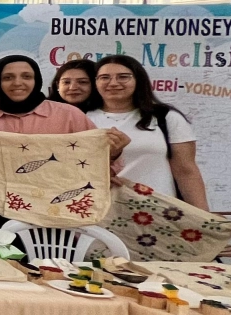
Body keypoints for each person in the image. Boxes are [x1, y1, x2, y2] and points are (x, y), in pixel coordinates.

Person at [0, 54, 93, 231]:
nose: (17, 83)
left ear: (37, 80)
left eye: (26, 76)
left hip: (57, 216)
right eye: (8, 78)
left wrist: (114, 152)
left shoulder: (69, 115)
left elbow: (94, 157)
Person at [87, 54, 208, 207]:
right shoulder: (81, 117)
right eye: (104, 78)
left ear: (138, 80)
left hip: (158, 211)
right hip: (99, 212)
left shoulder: (166, 117)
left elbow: (186, 171)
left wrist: (203, 215)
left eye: (123, 77)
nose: (113, 83)